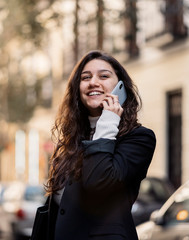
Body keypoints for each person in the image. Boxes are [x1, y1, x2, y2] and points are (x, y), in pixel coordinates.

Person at [45, 50, 156, 240]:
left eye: (104, 76)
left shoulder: (139, 139)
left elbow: (99, 183)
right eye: (85, 77)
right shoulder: (71, 141)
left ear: (120, 86)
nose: (93, 82)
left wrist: (108, 120)